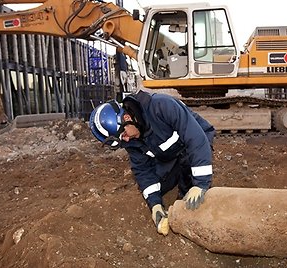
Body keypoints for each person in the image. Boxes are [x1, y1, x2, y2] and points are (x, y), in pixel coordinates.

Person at [89, 90, 215, 235]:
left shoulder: (161, 106)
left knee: (191, 185)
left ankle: (186, 190)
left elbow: (195, 139)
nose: (127, 140)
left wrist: (200, 184)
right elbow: (142, 171)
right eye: (122, 140)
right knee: (160, 185)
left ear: (127, 117)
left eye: (124, 135)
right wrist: (155, 204)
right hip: (167, 152)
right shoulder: (131, 138)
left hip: (196, 139)